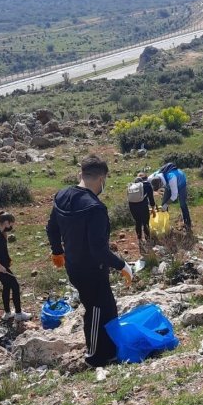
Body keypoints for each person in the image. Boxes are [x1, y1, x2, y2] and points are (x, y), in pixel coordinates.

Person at [46, 154, 133, 368]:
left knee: (108, 307)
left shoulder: (62, 196)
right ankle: (95, 356)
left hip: (74, 265)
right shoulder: (95, 208)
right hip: (91, 269)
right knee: (95, 310)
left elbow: (52, 228)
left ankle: (110, 349)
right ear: (101, 178)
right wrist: (122, 265)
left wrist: (58, 251)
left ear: (81, 173)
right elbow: (98, 249)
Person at [0, 211, 31, 323]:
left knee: (6, 285)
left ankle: (7, 313)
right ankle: (18, 314)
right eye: (11, 224)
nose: (11, 226)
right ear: (5, 222)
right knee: (15, 285)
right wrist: (0, 266)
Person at [150, 163, 192, 231]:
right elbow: (146, 181)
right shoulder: (154, 176)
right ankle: (165, 224)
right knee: (163, 203)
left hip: (181, 182)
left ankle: (187, 223)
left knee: (182, 203)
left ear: (161, 183)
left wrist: (167, 204)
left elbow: (174, 196)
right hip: (168, 184)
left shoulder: (171, 178)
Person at [127, 173, 156, 250]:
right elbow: (151, 199)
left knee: (138, 222)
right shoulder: (147, 185)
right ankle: (148, 240)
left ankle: (139, 240)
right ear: (145, 179)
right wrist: (153, 208)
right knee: (145, 223)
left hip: (132, 206)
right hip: (142, 206)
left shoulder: (131, 186)